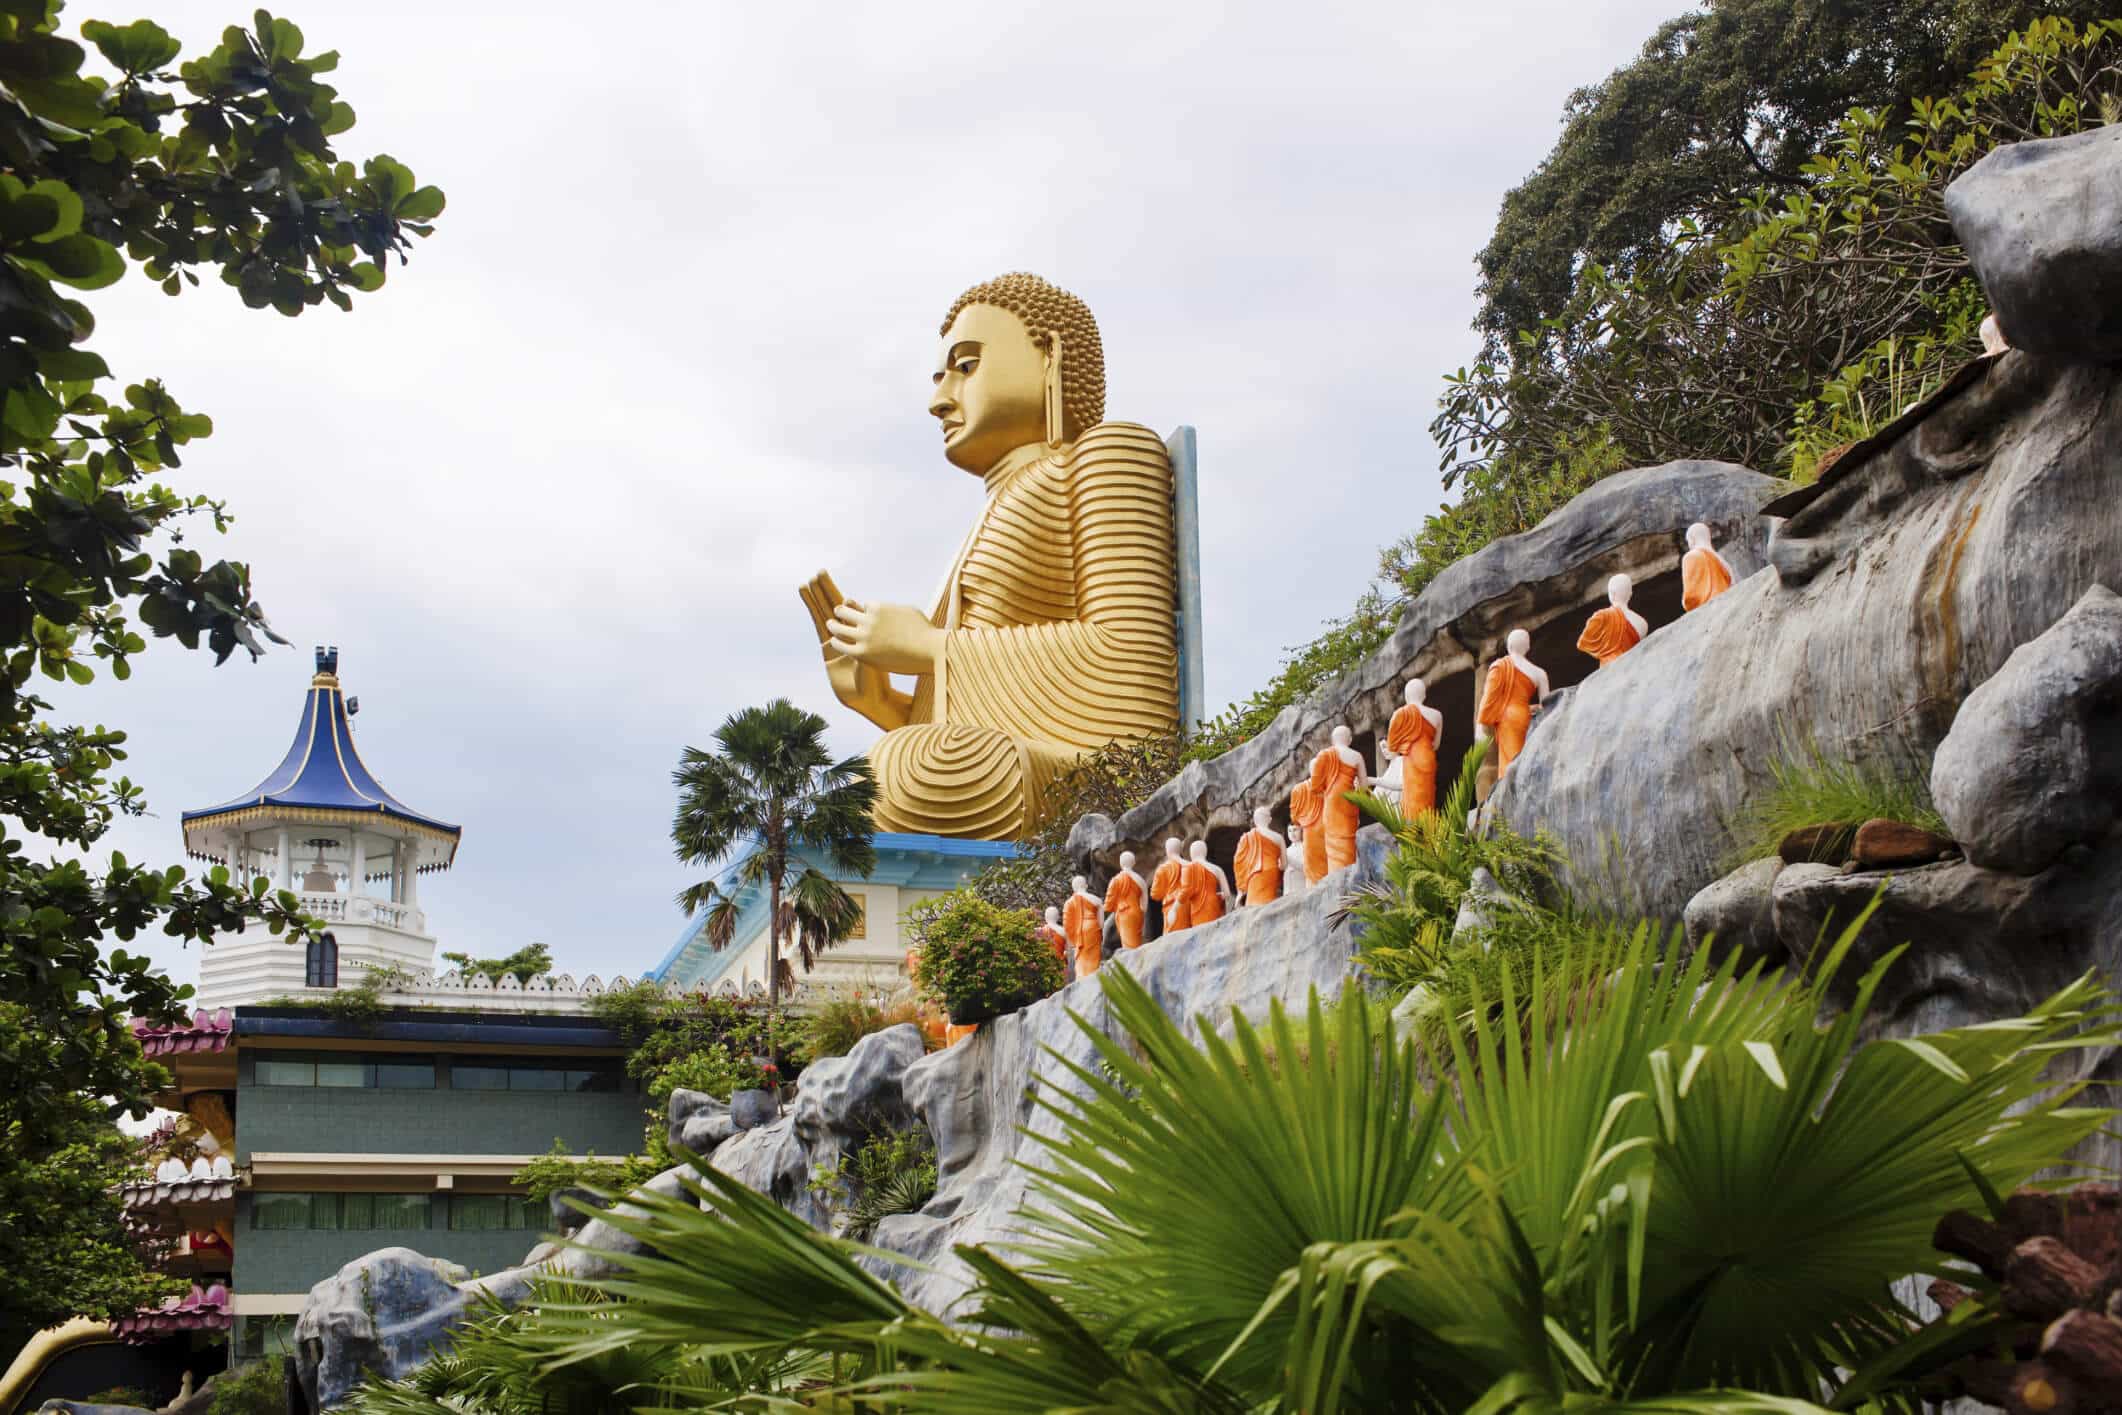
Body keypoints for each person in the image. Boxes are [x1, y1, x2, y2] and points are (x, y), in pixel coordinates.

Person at [800, 273, 1179, 838]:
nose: (939, 399)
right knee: (874, 777)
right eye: (939, 377)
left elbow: (1134, 668)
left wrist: (930, 647)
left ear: (1048, 355)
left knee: (920, 767)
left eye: (967, 366)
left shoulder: (1106, 454)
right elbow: (979, 712)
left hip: (1093, 777)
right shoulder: (989, 513)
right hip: (986, 759)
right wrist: (879, 702)